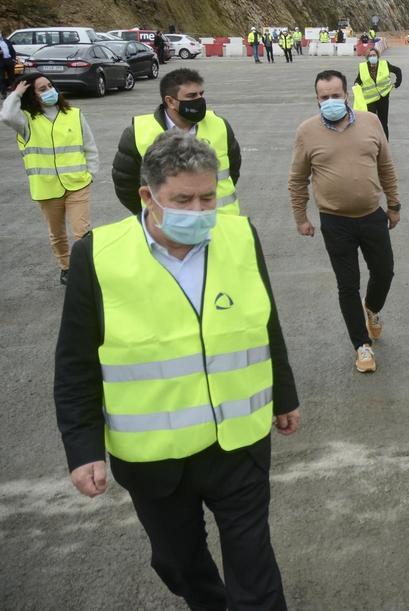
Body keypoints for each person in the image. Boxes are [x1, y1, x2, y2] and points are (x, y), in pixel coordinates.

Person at [54, 130, 300, 610]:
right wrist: (82, 449)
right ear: (148, 196)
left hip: (238, 444)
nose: (199, 210)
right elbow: (75, 362)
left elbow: (265, 321)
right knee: (179, 564)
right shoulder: (99, 256)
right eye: (182, 199)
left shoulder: (239, 235)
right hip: (155, 459)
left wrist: (284, 396)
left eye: (207, 197)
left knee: (254, 568)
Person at [290, 70, 399, 373]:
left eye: (335, 95)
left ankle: (373, 308)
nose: (331, 101)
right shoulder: (306, 132)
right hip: (335, 222)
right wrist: (301, 217)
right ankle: (361, 345)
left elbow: (386, 166)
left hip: (372, 216)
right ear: (317, 100)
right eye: (324, 97)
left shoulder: (371, 122)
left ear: (347, 95)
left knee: (385, 272)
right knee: (347, 285)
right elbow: (297, 179)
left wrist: (394, 204)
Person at [2, 73, 99, 284]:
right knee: (57, 234)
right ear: (31, 95)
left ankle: (89, 269)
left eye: (50, 86)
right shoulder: (26, 120)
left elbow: (89, 146)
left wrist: (91, 173)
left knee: (82, 232)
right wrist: (16, 93)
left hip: (77, 183)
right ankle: (66, 267)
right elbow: (6, 116)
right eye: (42, 89)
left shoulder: (74, 114)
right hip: (46, 188)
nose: (49, 91)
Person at [113, 68, 243, 215]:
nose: (199, 100)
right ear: (170, 101)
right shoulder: (137, 133)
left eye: (201, 94)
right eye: (191, 96)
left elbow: (233, 170)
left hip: (220, 224)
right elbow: (125, 186)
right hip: (166, 230)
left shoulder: (220, 125)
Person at [352, 47, 401, 139]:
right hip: (370, 99)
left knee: (383, 122)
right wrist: (356, 84)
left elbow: (398, 70)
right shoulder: (363, 67)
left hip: (383, 97)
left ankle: (385, 143)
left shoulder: (384, 64)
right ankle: (373, 143)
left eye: (374, 55)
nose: (372, 57)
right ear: (367, 57)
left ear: (378, 56)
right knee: (371, 123)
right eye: (370, 56)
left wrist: (397, 83)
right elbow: (359, 79)